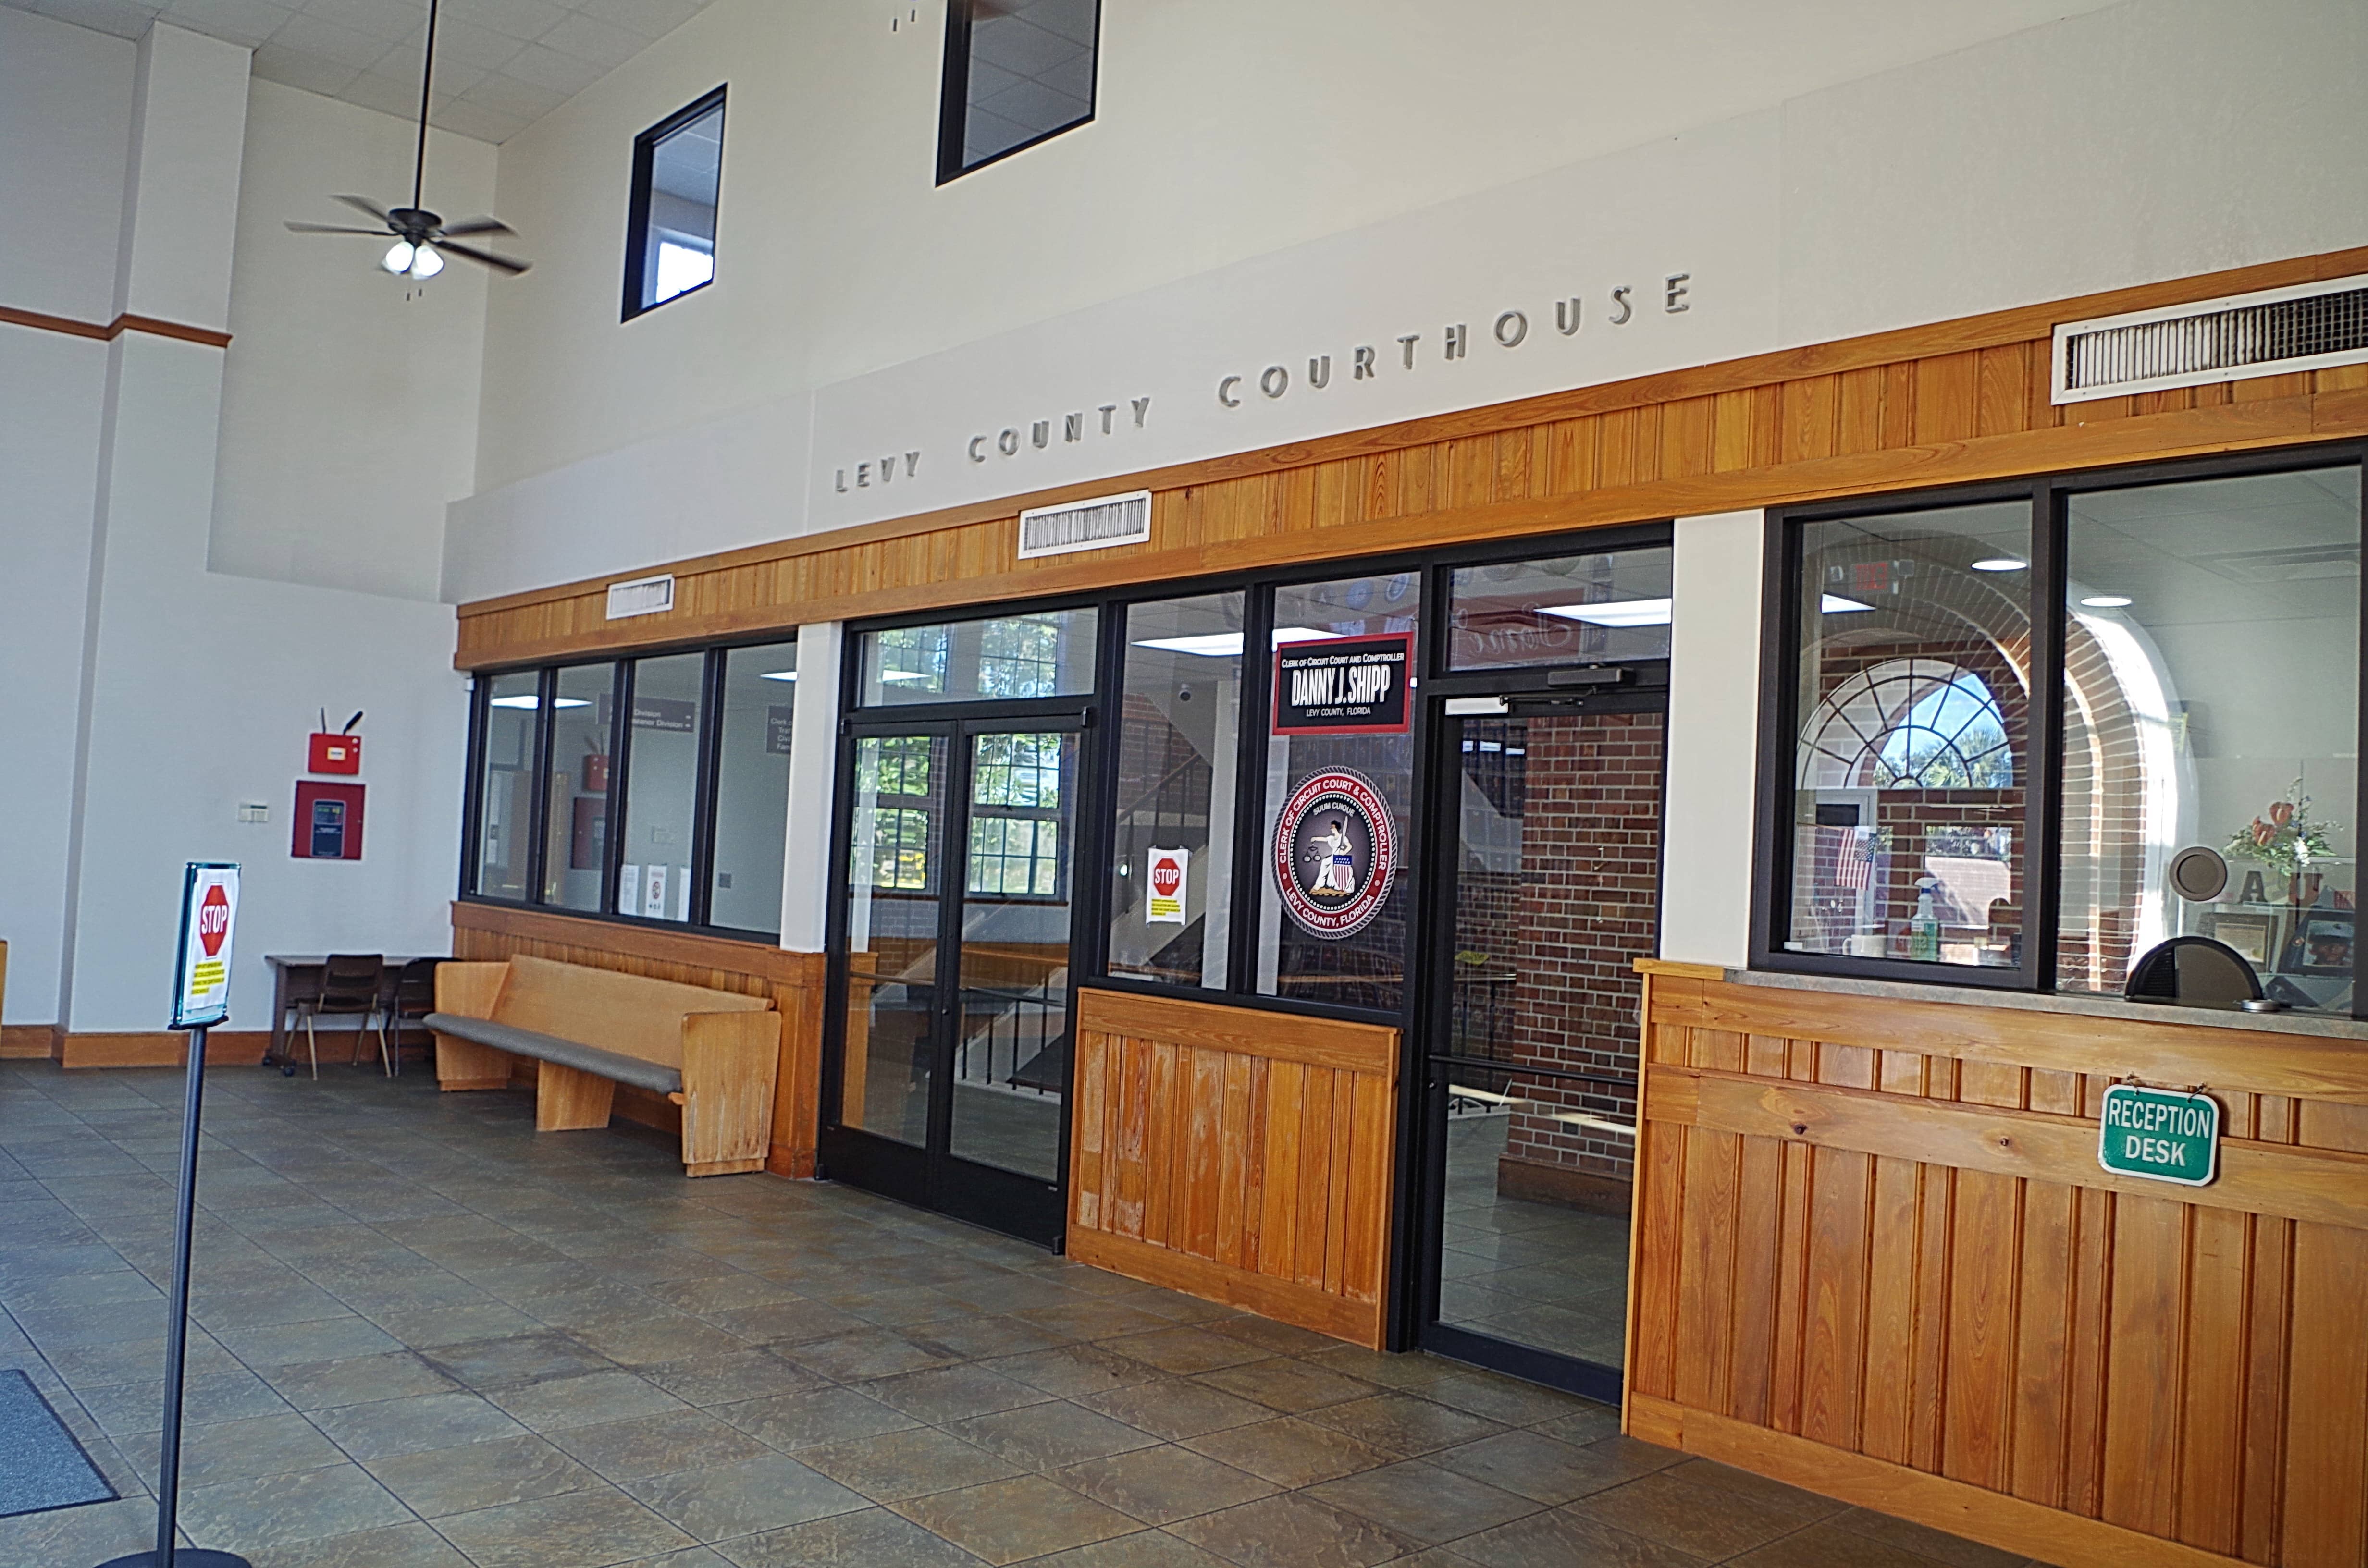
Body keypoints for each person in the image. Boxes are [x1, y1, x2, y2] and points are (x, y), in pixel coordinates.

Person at [1306, 816, 1357, 897]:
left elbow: (1350, 846)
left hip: (1339, 857)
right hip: (1333, 856)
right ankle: (1319, 884)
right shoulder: (1331, 838)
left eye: (1332, 827)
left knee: (1335, 869)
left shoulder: (1342, 838)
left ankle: (1341, 887)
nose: (1331, 829)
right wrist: (1315, 838)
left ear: (1336, 828)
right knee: (1325, 863)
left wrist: (1344, 852)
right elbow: (1324, 839)